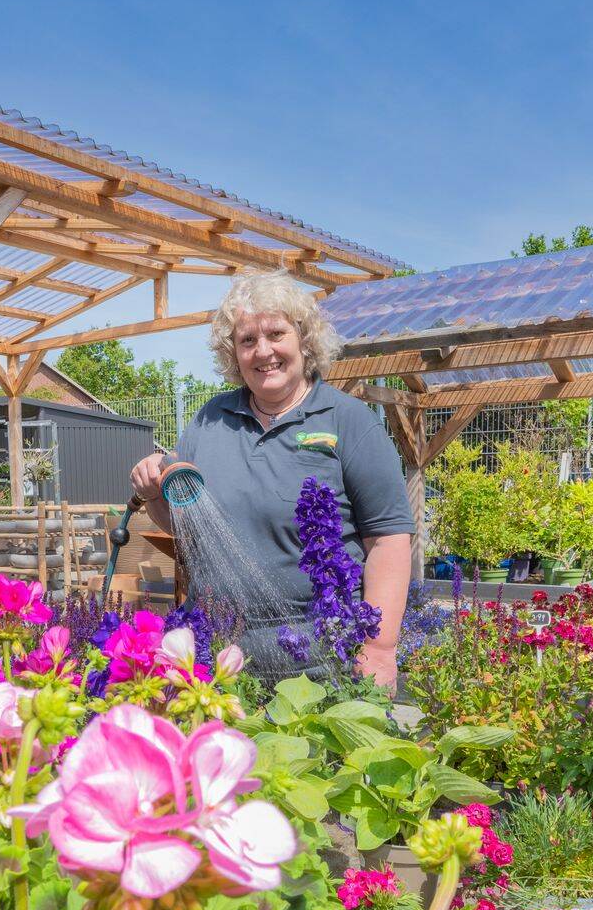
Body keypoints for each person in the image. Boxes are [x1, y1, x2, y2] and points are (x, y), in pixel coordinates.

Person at [129, 273, 413, 688]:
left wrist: (380, 648)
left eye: (276, 334)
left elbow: (388, 540)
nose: (263, 351)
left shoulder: (348, 421)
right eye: (247, 340)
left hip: (321, 661)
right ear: (233, 353)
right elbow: (186, 527)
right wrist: (154, 493)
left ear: (304, 340)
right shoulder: (209, 421)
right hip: (220, 657)